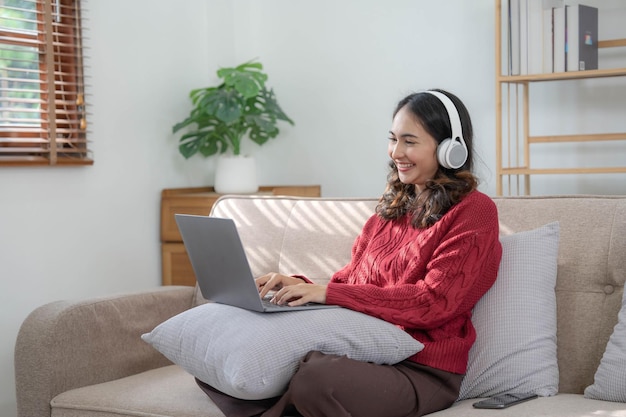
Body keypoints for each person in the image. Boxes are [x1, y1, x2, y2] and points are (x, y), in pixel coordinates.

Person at [197, 89, 503, 417]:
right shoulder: (385, 216)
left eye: (410, 141)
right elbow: (349, 285)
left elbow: (434, 302)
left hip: (420, 370)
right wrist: (295, 286)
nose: (396, 152)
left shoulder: (474, 211)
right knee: (216, 357)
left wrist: (328, 292)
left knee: (316, 380)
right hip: (362, 354)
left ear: (449, 150)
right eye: (393, 139)